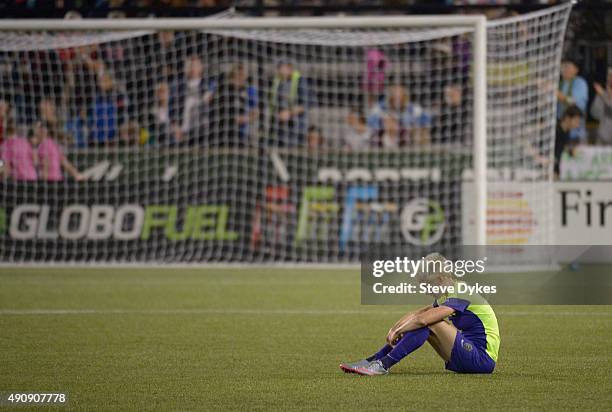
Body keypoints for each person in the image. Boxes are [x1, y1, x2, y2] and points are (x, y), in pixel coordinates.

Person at [340, 253, 500, 376]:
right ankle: (373, 360)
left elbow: (423, 319)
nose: (426, 291)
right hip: (468, 355)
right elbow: (418, 313)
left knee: (431, 322)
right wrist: (394, 328)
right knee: (427, 320)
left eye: (428, 285)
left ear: (441, 279)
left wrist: (398, 331)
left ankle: (382, 365)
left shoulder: (462, 291)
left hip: (482, 359)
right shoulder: (449, 291)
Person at [208, 64, 258, 146]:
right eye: (237, 76)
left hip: (241, 133)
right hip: (221, 130)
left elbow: (256, 113)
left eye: (242, 76)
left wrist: (246, 118)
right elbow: (212, 105)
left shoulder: (249, 90)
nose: (240, 79)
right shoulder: (223, 89)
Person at [368, 84, 432, 147]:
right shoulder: (381, 107)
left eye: (400, 93)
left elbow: (426, 120)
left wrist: (414, 125)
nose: (397, 96)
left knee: (420, 134)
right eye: (395, 93)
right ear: (391, 95)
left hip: (408, 134)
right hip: (386, 133)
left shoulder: (412, 108)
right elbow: (370, 120)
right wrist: (384, 122)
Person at [268, 61, 310, 146]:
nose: (279, 70)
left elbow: (305, 105)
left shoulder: (300, 81)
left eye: (282, 67)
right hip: (279, 125)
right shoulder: (277, 81)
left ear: (289, 67)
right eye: (278, 67)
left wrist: (289, 113)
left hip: (295, 125)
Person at [557, 57, 588, 141]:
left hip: (575, 134)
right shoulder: (559, 84)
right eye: (562, 67)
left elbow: (572, 102)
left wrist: (554, 92)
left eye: (567, 66)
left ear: (576, 70)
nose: (564, 69)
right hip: (560, 131)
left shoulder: (580, 83)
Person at [555, 105, 583, 177]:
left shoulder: (567, 132)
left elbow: (564, 148)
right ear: (567, 118)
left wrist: (571, 151)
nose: (577, 125)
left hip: (555, 169)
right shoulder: (554, 129)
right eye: (576, 121)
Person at [590, 68, 612, 145]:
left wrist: (605, 96)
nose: (610, 79)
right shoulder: (602, 94)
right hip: (602, 137)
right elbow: (594, 114)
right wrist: (603, 96)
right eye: (609, 76)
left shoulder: (602, 94)